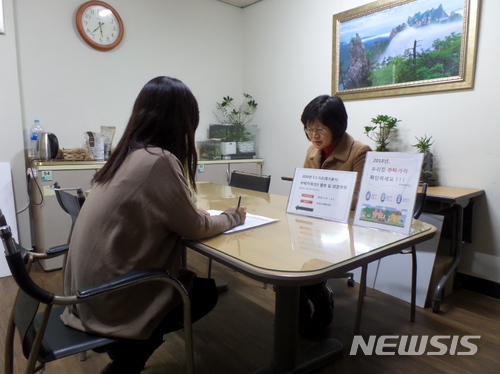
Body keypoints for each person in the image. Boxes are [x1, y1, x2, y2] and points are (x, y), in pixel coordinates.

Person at [61, 76, 247, 374]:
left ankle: (127, 353)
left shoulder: (126, 156)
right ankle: (127, 359)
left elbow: (163, 214)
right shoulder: (158, 160)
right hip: (111, 299)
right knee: (205, 292)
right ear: (182, 122)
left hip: (84, 293)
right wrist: (233, 216)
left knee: (191, 282)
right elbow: (196, 228)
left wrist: (187, 211)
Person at [299, 95, 371, 338]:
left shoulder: (359, 151)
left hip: (345, 228)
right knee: (287, 254)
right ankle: (298, 308)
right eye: (309, 129)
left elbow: (358, 198)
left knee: (301, 260)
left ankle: (322, 304)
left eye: (320, 129)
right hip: (315, 222)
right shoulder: (312, 150)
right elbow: (305, 189)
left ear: (337, 125)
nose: (313, 135)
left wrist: (317, 199)